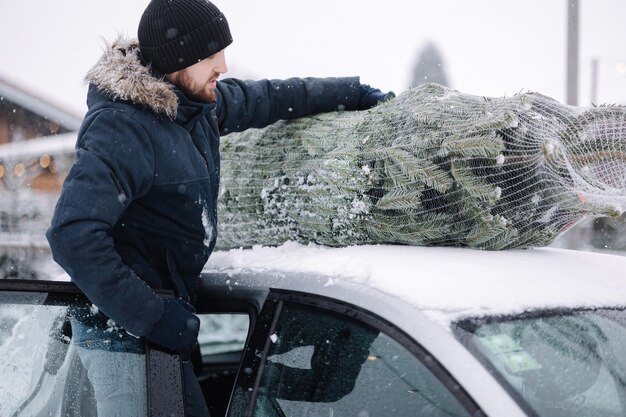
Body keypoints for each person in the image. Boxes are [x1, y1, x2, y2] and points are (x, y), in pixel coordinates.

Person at [46, 0, 394, 416]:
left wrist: (351, 92)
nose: (223, 66)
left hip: (164, 316)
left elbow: (269, 97)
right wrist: (152, 316)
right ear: (178, 60)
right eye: (211, 56)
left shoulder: (196, 108)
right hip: (120, 332)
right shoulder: (122, 127)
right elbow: (72, 234)